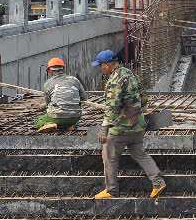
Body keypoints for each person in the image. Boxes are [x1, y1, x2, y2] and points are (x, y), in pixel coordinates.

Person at [91, 50, 166, 199]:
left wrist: (104, 129)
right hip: (138, 125)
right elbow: (143, 98)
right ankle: (158, 182)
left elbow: (112, 107)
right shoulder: (130, 74)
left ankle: (111, 190)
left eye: (100, 66)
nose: (100, 69)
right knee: (140, 154)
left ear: (107, 65)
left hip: (121, 128)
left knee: (109, 156)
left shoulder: (114, 80)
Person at [37, 57, 84, 133]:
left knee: (39, 120)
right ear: (63, 69)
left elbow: (48, 103)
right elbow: (84, 98)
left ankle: (49, 124)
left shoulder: (48, 83)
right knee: (70, 120)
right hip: (75, 117)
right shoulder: (75, 80)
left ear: (49, 71)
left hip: (57, 116)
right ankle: (70, 126)